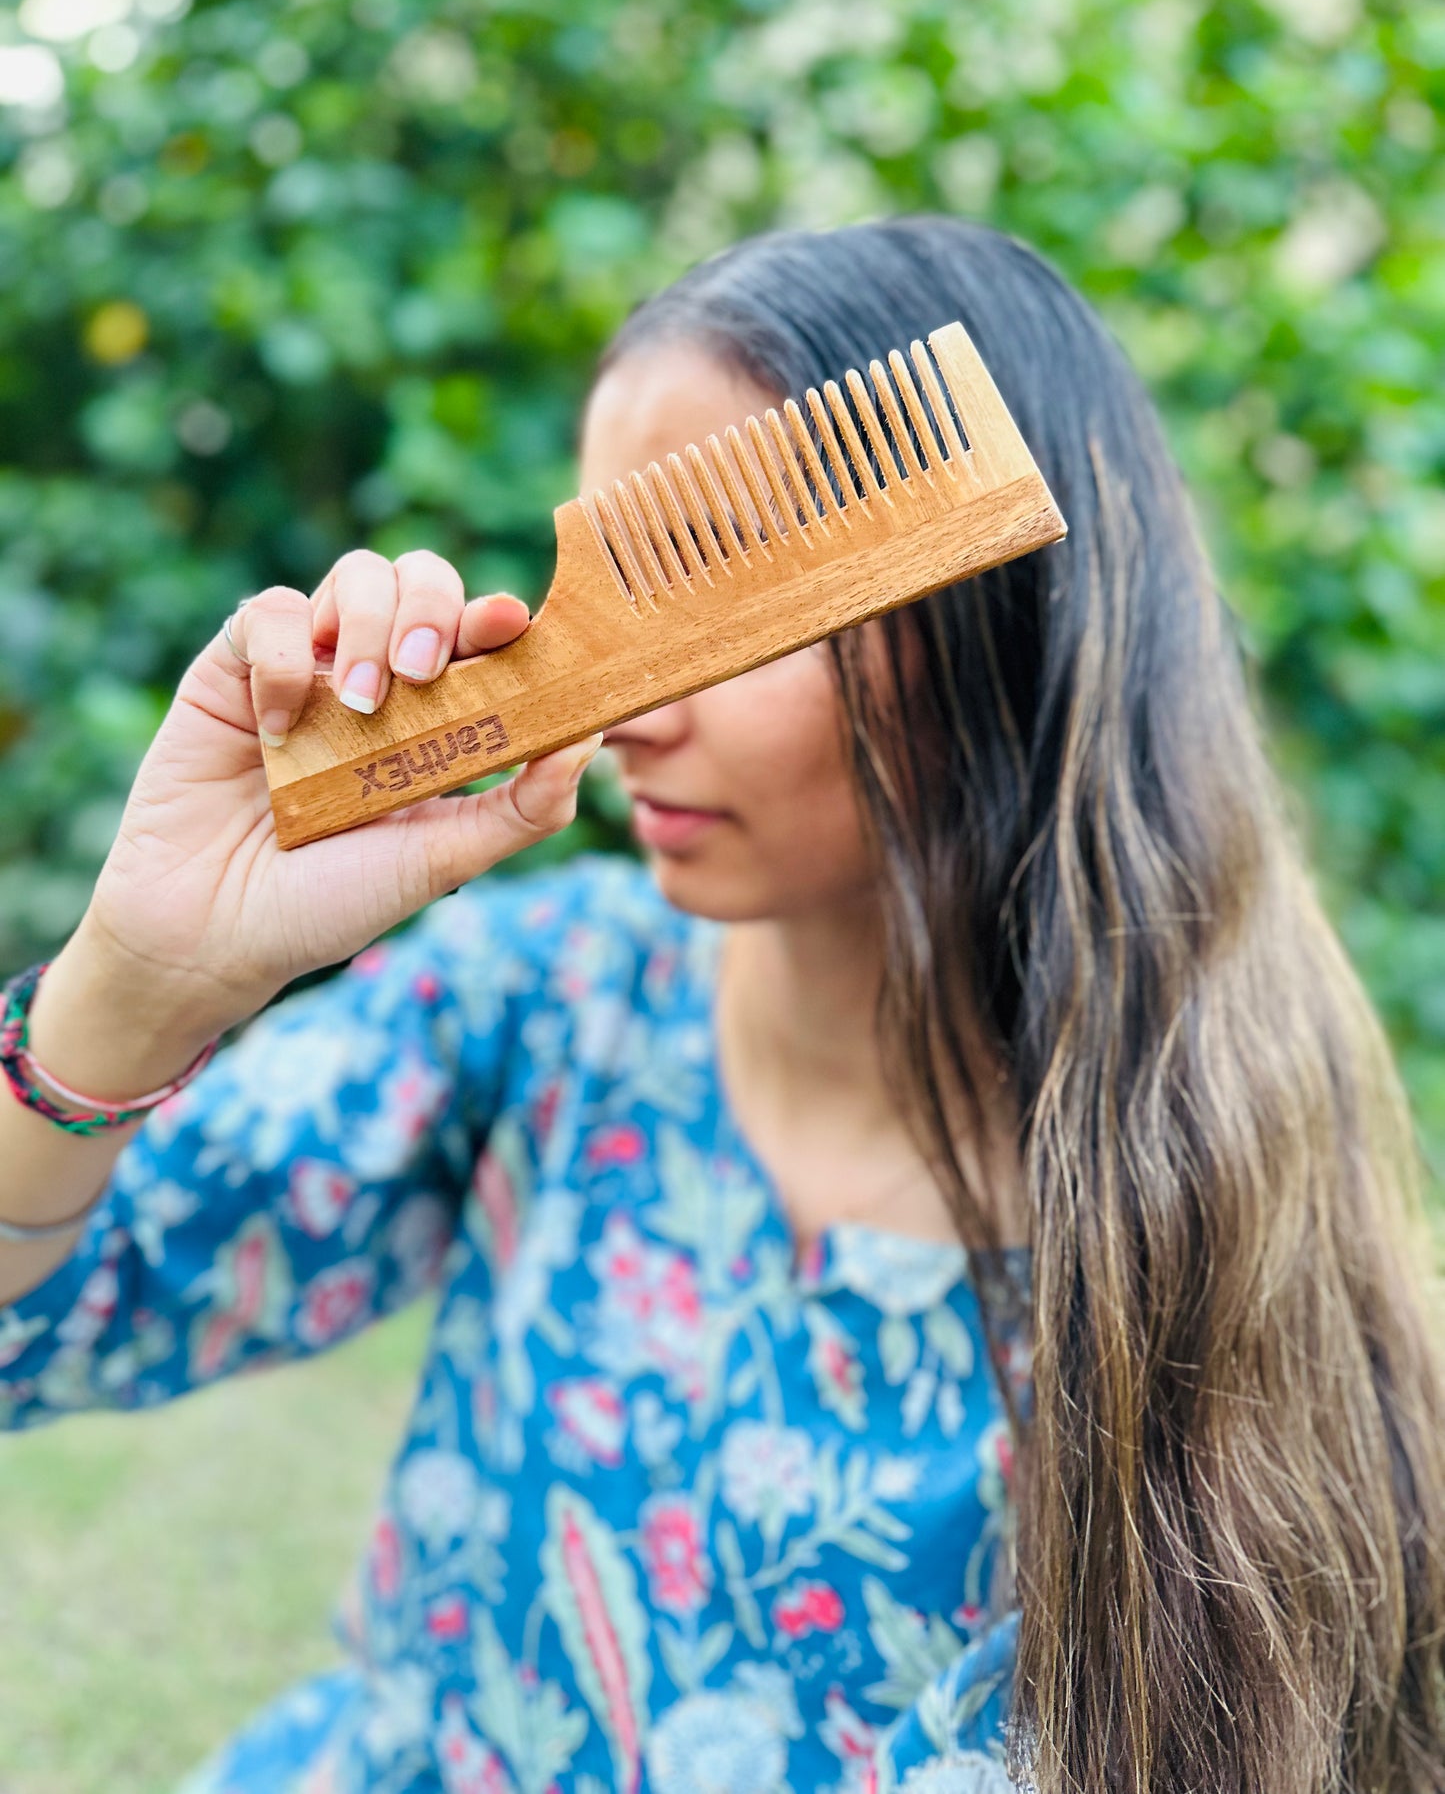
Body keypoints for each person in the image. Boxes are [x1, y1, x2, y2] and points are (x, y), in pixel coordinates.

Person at [1, 217, 1442, 1794]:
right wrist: (131, 990)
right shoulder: (546, 1001)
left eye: (733, 602)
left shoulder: (1200, 1242)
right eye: (610, 596)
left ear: (1003, 617)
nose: (635, 703)